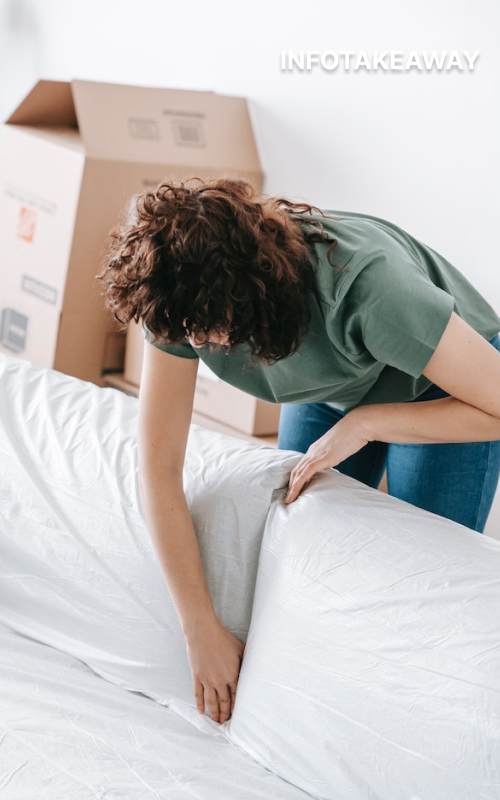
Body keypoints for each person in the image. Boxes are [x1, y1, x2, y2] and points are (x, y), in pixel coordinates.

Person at [98, 176, 500, 726]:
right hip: (329, 384)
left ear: (251, 293)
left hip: (445, 386)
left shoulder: (369, 288)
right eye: (188, 333)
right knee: (299, 529)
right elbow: (157, 470)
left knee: (418, 575)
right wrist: (201, 628)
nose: (200, 346)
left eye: (211, 329)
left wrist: (369, 422)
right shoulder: (181, 298)